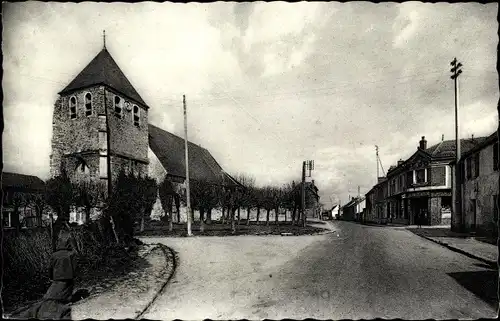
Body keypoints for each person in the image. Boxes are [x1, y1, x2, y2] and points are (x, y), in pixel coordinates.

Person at [19, 225, 77, 320]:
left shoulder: (54, 255)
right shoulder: (71, 254)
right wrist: (73, 274)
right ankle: (64, 300)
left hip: (57, 277)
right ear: (68, 243)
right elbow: (74, 266)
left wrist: (50, 276)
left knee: (54, 290)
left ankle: (56, 301)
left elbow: (50, 268)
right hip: (69, 276)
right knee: (67, 288)